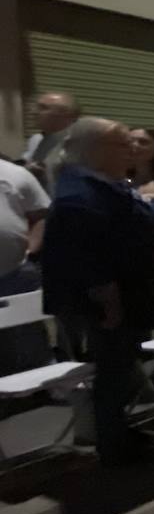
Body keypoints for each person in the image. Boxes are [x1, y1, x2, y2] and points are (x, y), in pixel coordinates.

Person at [42, 118, 154, 465]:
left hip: (126, 294)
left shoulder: (107, 184)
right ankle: (114, 446)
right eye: (122, 144)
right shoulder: (79, 195)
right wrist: (109, 301)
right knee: (113, 373)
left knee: (123, 369)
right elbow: (87, 256)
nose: (132, 150)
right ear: (93, 150)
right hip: (105, 303)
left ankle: (120, 431)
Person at [0, 155, 51, 375]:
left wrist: (31, 249)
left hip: (16, 271)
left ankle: (43, 381)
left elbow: (41, 215)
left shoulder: (15, 173)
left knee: (27, 334)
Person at [22, 91, 80, 191]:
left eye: (43, 108)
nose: (34, 112)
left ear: (67, 115)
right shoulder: (36, 140)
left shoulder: (84, 142)